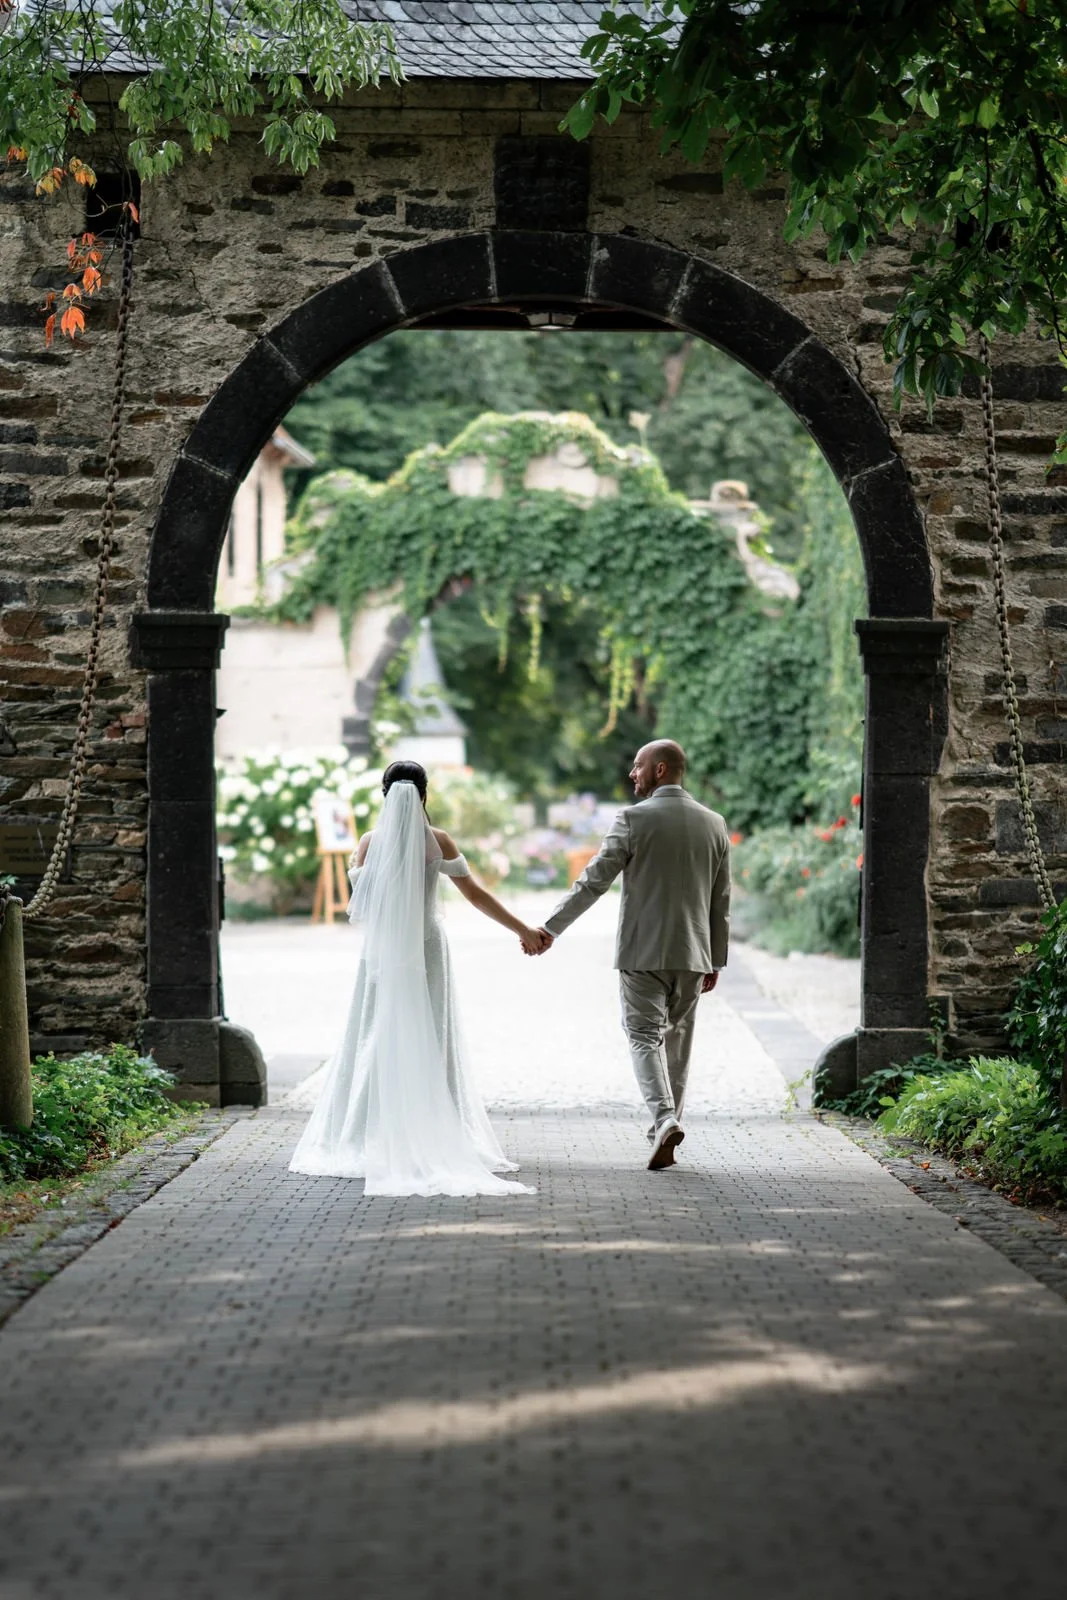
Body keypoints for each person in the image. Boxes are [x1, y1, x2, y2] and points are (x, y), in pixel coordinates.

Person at [289, 760, 541, 1197]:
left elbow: (360, 904)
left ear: (384, 794)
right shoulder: (437, 841)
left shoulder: (369, 843)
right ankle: (434, 1127)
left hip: (382, 954)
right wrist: (524, 930)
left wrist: (356, 863)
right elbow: (476, 894)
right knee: (431, 1035)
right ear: (424, 795)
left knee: (372, 1034)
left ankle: (362, 1133)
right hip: (426, 949)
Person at [527, 740, 730, 1172]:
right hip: (694, 952)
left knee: (642, 1036)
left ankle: (664, 1119)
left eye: (637, 766)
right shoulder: (715, 824)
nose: (631, 774)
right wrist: (717, 959)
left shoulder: (634, 820)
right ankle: (667, 1120)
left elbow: (593, 882)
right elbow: (720, 899)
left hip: (642, 950)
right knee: (677, 1039)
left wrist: (551, 928)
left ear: (659, 770)